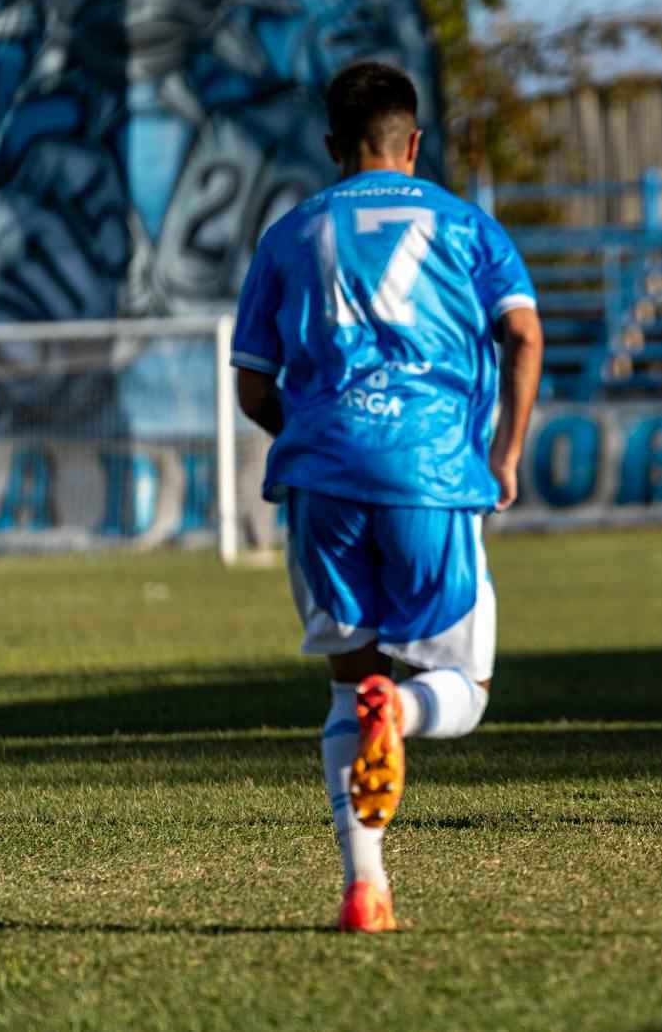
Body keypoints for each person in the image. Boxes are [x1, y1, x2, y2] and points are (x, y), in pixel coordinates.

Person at [230, 62, 544, 932]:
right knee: (463, 687)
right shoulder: (468, 226)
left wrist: (324, 435)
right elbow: (521, 332)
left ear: (334, 148)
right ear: (413, 143)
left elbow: (254, 390)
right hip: (432, 472)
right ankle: (400, 712)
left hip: (322, 476)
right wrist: (505, 453)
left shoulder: (290, 234)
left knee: (346, 680)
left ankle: (364, 887)